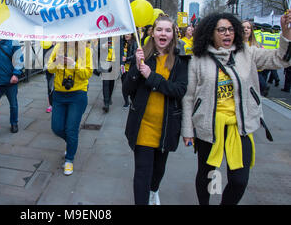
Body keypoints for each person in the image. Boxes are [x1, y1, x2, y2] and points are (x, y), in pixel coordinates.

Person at [181, 12, 291, 205]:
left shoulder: (247, 53)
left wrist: (286, 33)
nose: (227, 34)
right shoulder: (198, 59)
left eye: (231, 29)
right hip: (209, 127)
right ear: (211, 33)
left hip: (240, 126)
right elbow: (189, 97)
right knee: (206, 175)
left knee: (239, 181)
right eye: (221, 30)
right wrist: (188, 131)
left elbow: (281, 59)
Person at [123, 15, 190, 205]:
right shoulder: (143, 55)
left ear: (173, 34)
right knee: (142, 172)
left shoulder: (180, 60)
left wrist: (152, 77)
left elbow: (179, 90)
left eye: (168, 30)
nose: (163, 33)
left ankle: (154, 190)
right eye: (159, 29)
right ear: (152, 33)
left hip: (167, 127)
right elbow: (127, 90)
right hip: (143, 125)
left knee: (158, 171)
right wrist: (136, 69)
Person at [47, 41, 93, 175]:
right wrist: (57, 62)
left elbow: (87, 74)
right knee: (57, 128)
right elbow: (50, 68)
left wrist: (73, 64)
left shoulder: (86, 50)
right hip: (59, 94)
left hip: (78, 95)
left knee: (71, 129)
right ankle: (71, 143)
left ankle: (69, 159)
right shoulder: (58, 47)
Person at [0, 38, 24, 134]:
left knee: (13, 105)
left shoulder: (13, 42)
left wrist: (16, 74)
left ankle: (14, 123)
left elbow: (19, 59)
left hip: (10, 82)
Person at [241, 20, 268, 96]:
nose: (246, 29)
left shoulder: (256, 45)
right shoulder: (234, 45)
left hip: (254, 74)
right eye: (243, 27)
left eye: (248, 28)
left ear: (251, 31)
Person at [120, 33, 136, 107]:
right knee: (124, 85)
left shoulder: (134, 43)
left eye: (128, 34)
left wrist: (127, 58)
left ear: (132, 35)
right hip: (123, 68)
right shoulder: (122, 43)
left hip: (131, 68)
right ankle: (126, 102)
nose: (126, 35)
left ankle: (133, 100)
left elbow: (135, 55)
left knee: (132, 85)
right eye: (125, 34)